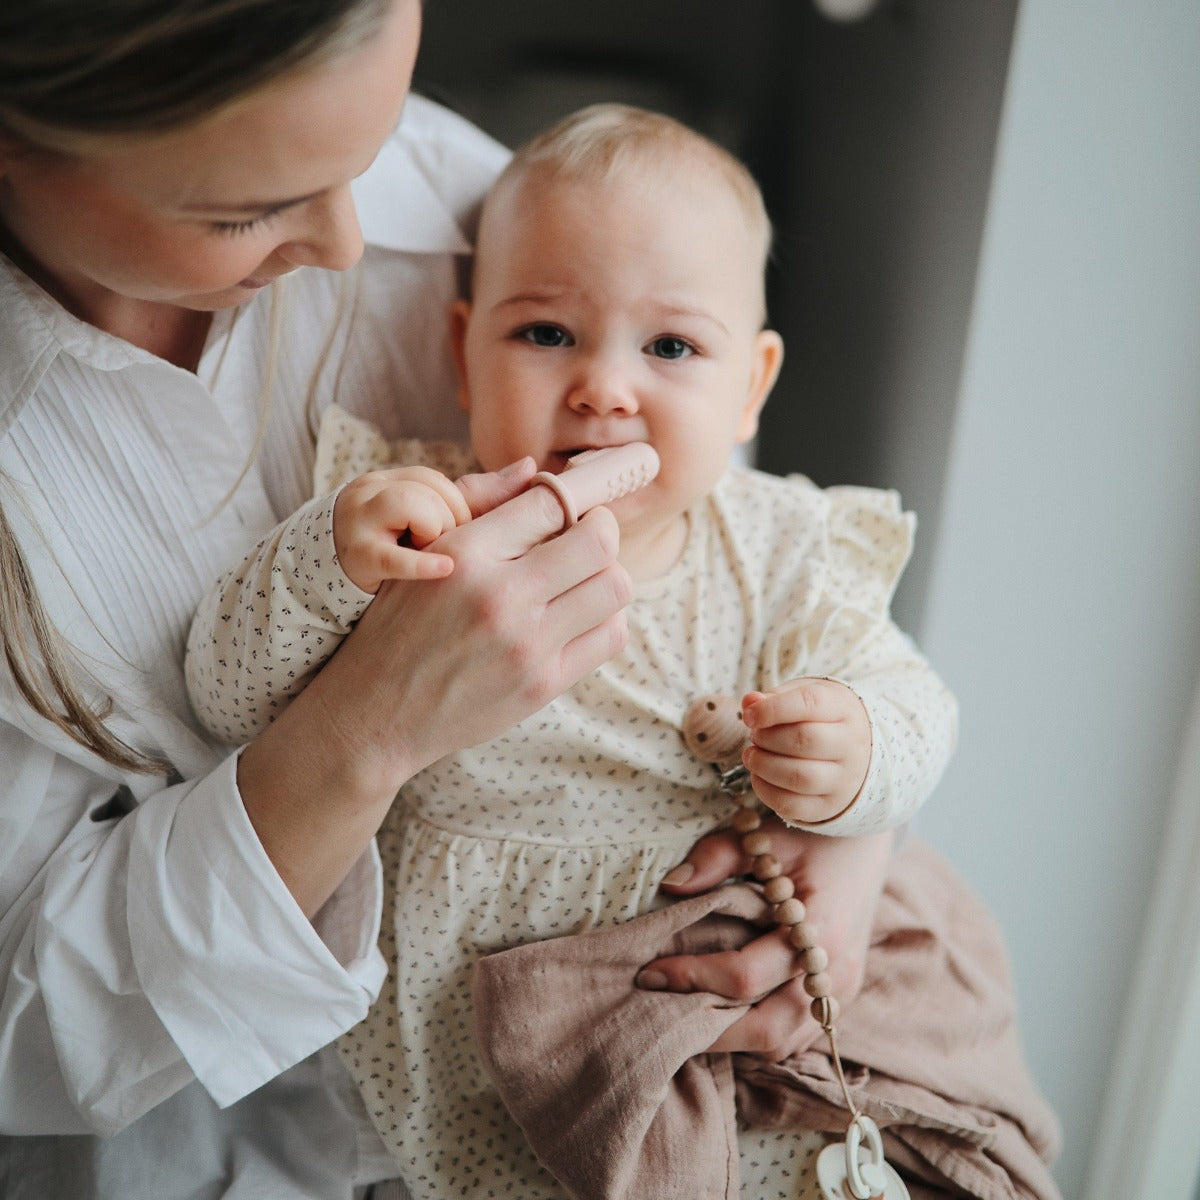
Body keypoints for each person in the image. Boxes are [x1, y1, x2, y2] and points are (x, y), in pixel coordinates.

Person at [0, 5, 904, 1198]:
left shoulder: (506, 204)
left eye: (366, 152)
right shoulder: (365, 488)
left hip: (697, 983)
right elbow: (28, 1035)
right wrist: (366, 723)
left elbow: (738, 543)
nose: (349, 237)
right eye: (245, 211)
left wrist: (851, 816)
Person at [185, 104, 958, 1200]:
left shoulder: (785, 547)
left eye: (672, 347)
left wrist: (862, 751)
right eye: (546, 334)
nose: (603, 385)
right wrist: (331, 563)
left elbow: (916, 696)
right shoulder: (411, 514)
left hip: (691, 1009)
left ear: (750, 387)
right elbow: (223, 695)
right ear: (462, 352)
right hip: (466, 1045)